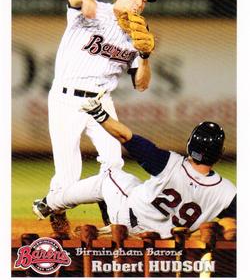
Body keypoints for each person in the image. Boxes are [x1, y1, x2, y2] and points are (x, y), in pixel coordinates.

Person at [32, 0, 157, 235]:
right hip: (67, 98)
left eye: (144, 0)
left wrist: (144, 56)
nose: (139, 4)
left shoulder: (138, 33)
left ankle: (113, 217)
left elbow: (141, 85)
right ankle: (55, 208)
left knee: (114, 164)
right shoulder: (94, 9)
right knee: (68, 173)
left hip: (102, 101)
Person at [53, 94, 236, 238]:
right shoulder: (226, 193)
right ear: (219, 154)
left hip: (130, 222)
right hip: (168, 241)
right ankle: (111, 227)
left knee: (109, 175)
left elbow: (125, 137)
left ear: (190, 145)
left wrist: (100, 115)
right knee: (134, 184)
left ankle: (53, 204)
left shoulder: (168, 163)